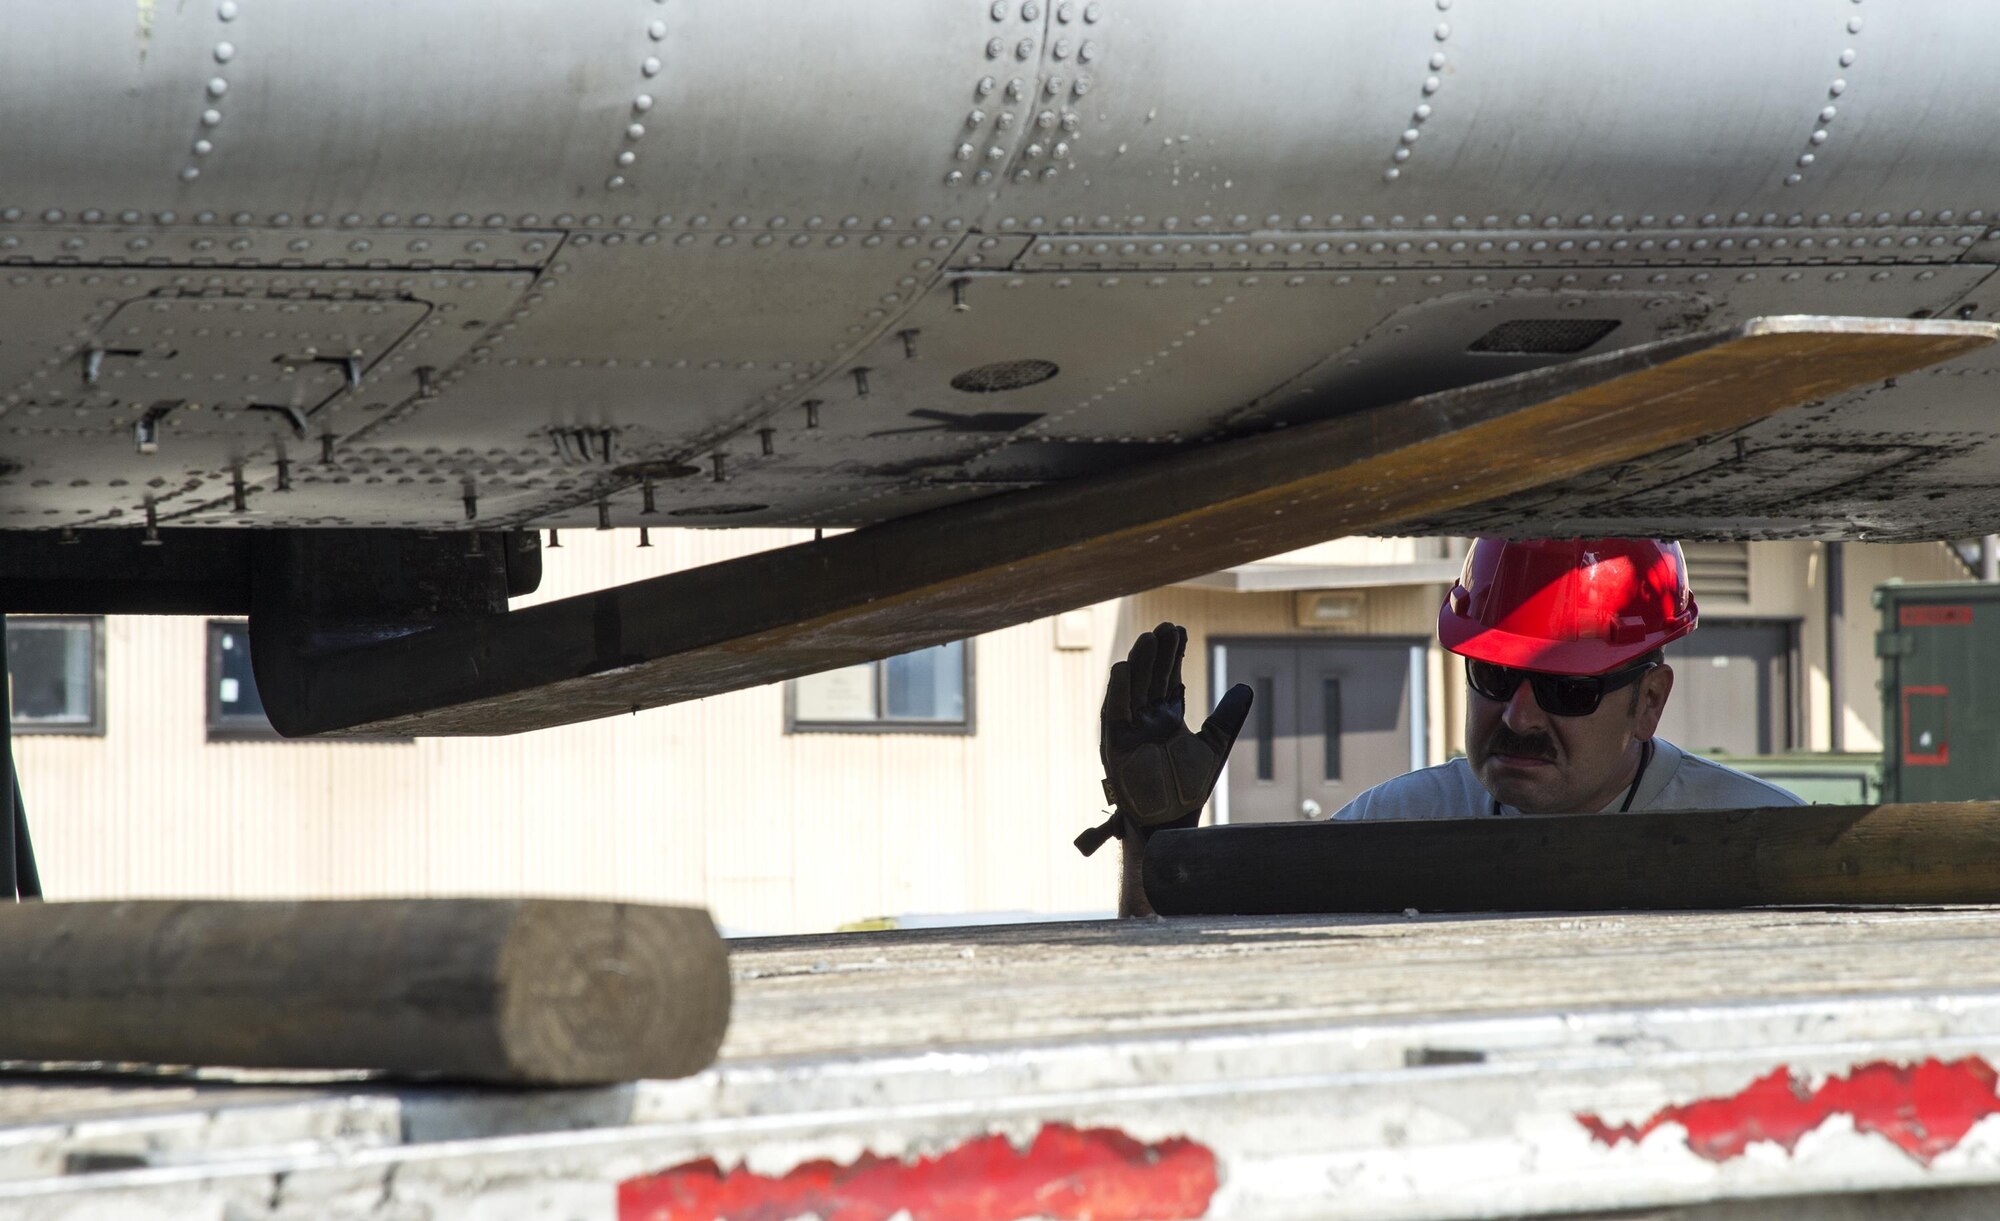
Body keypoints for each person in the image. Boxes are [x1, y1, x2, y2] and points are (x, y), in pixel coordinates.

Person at [1080, 537, 1802, 917]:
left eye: (1565, 687)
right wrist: (1156, 843)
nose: (1518, 715)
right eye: (1490, 674)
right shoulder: (1388, 831)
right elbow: (1204, 1004)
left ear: (1650, 701)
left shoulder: (1766, 845)